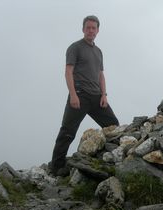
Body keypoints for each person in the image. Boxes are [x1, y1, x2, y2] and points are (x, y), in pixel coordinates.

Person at [51, 15, 119, 176]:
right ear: (83, 29)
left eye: (93, 28)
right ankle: (56, 167)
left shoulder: (98, 51)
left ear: (98, 30)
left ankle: (108, 159)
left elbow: (101, 75)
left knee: (113, 127)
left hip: (97, 97)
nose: (90, 30)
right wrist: (73, 94)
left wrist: (104, 95)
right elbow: (68, 72)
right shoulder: (75, 47)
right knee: (67, 131)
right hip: (80, 95)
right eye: (87, 27)